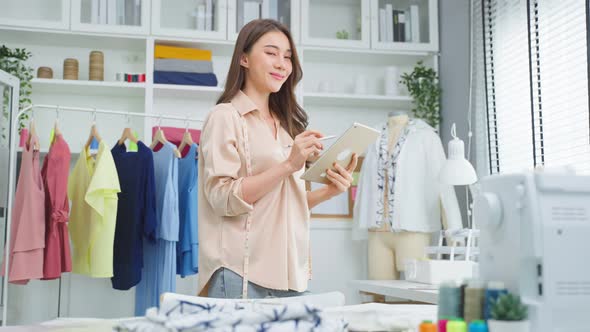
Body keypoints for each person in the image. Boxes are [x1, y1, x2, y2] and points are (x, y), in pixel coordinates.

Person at [197, 19, 358, 299]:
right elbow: (221, 198)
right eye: (271, 53)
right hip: (240, 273)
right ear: (244, 58)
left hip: (289, 275)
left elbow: (283, 204)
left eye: (288, 56)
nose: (282, 63)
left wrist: (329, 191)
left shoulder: (287, 128)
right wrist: (288, 166)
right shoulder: (225, 117)